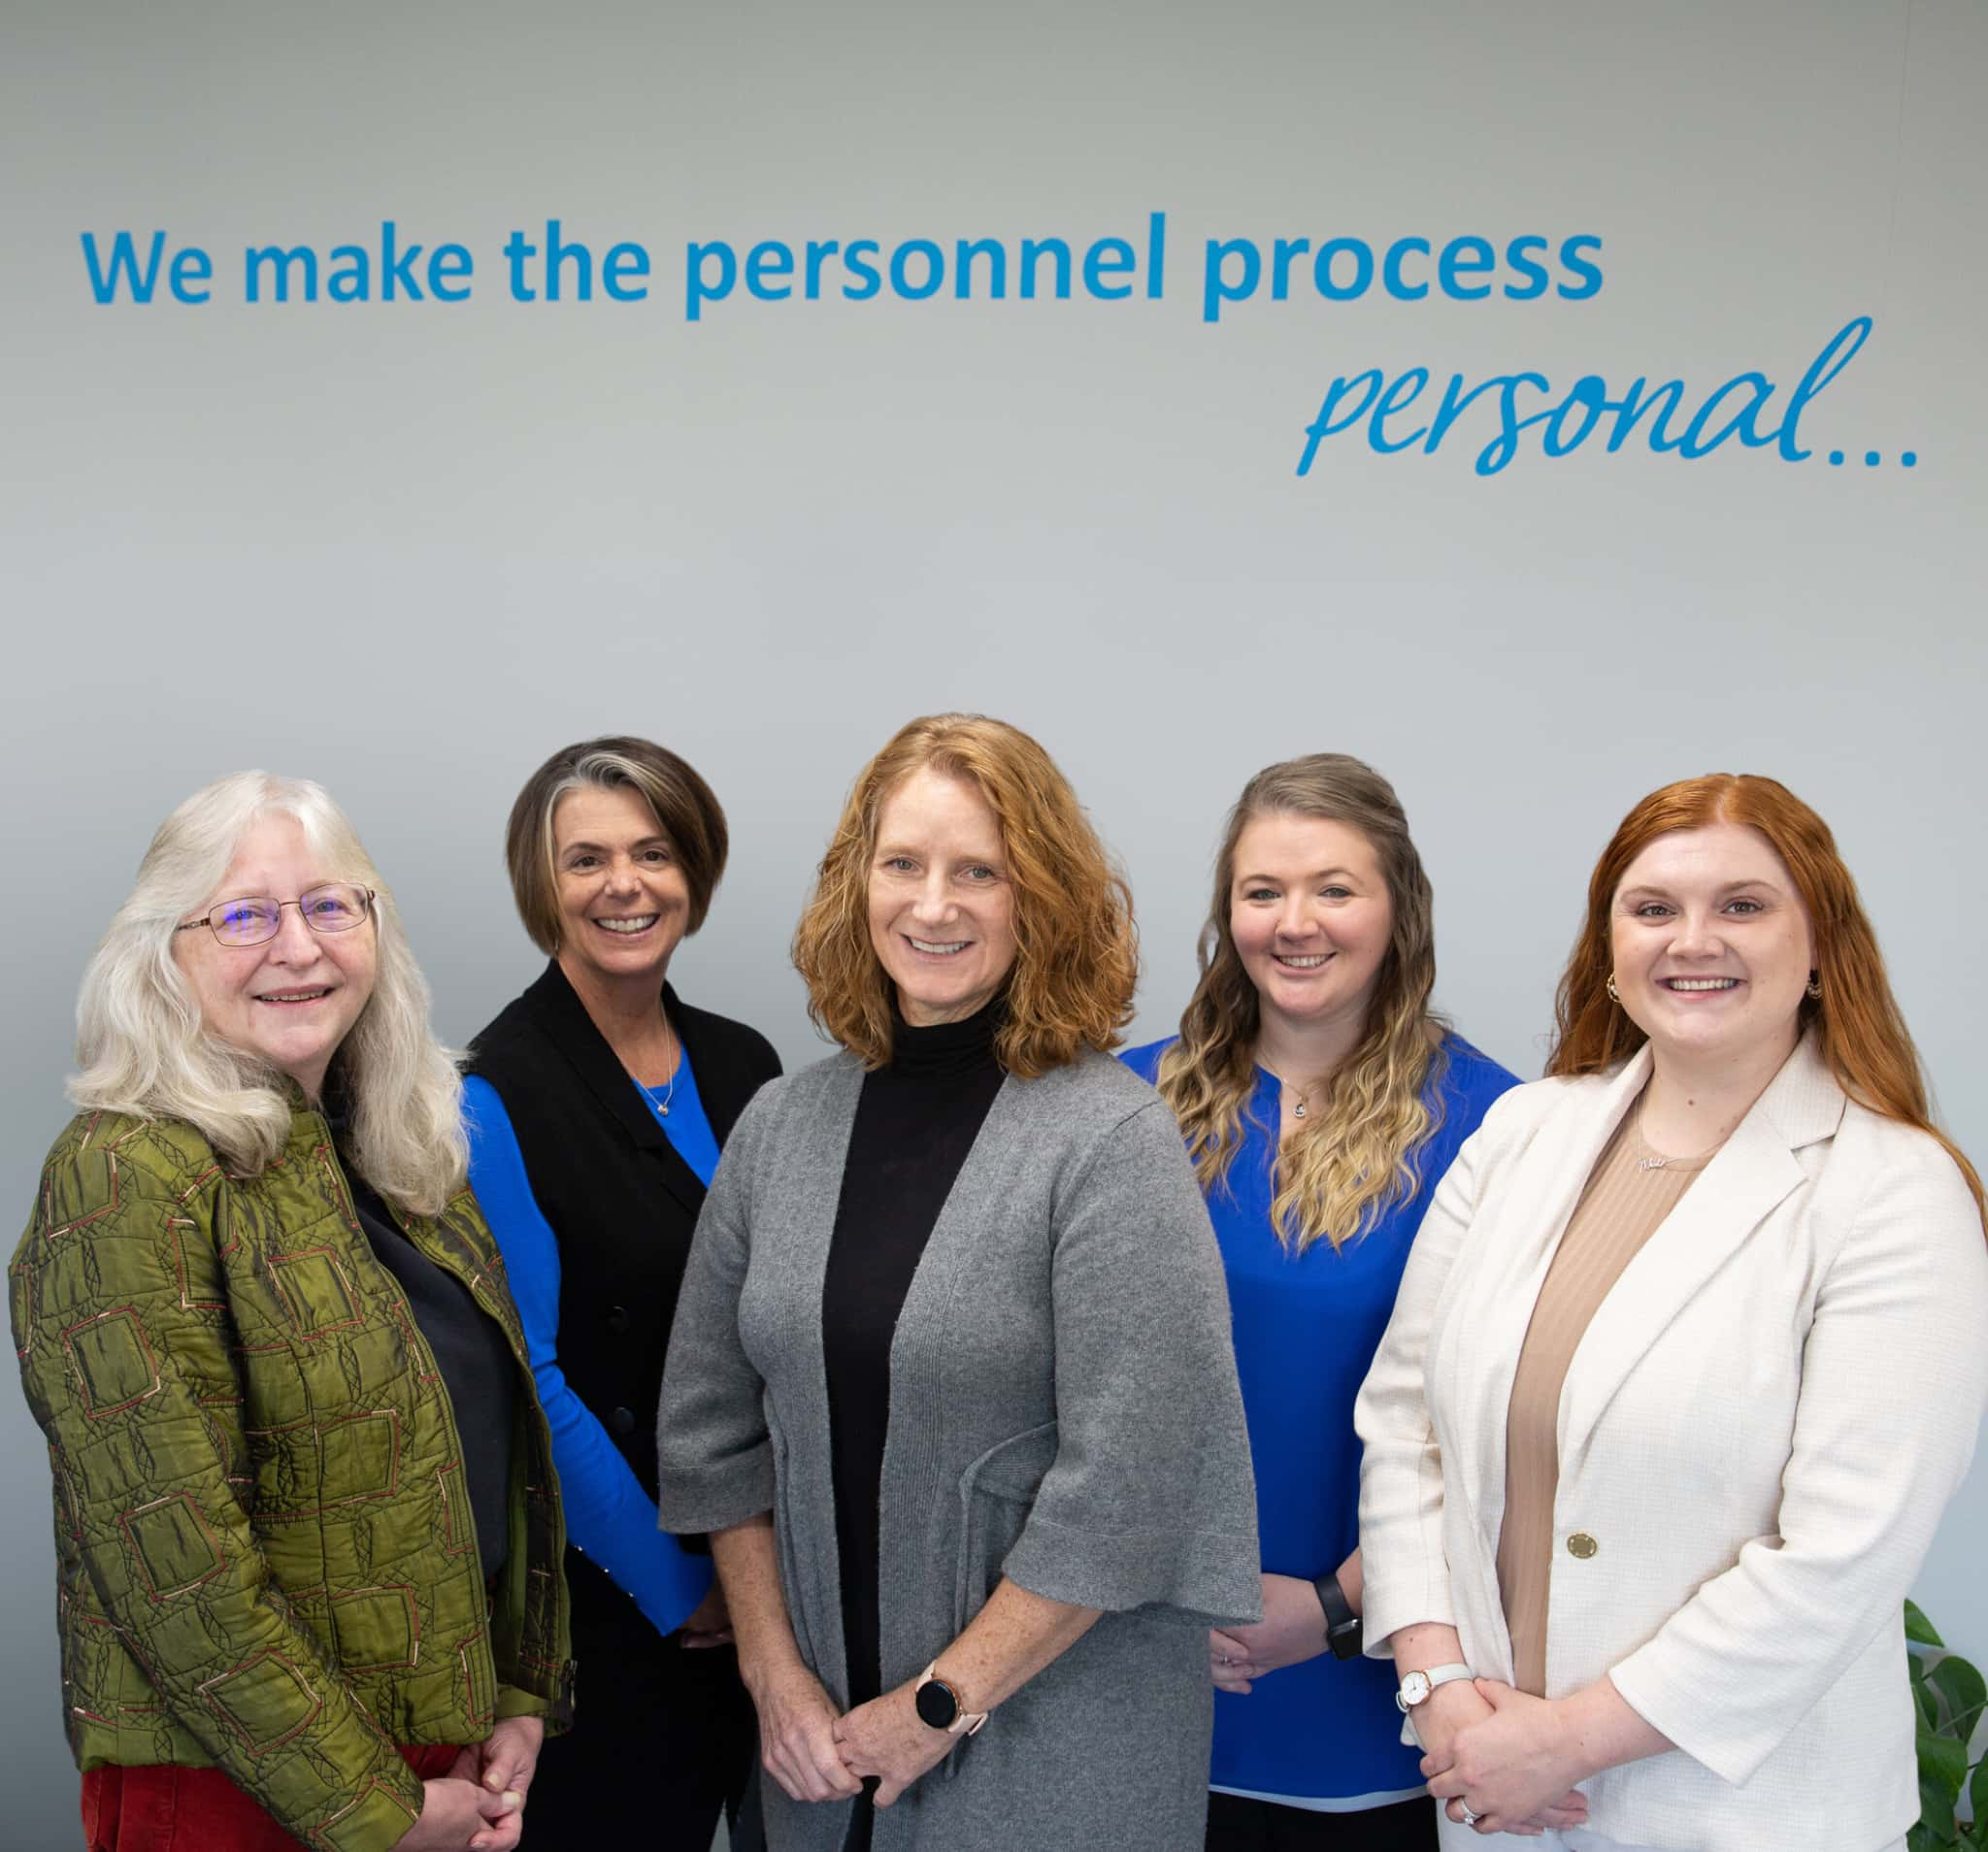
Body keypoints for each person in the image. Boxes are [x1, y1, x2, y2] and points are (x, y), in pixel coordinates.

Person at [656, 712, 1262, 1852]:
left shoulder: (1108, 1140)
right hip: (816, 1750)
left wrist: (938, 1706)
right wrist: (772, 1672)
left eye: (977, 871)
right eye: (903, 865)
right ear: (857, 885)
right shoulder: (783, 1127)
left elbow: (1127, 1488)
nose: (931, 907)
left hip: (1047, 1754)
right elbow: (709, 1430)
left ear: (1040, 897)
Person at [1355, 773, 1988, 1852]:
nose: (1692, 939)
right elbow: (1404, 1423)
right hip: (1493, 1796)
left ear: (1822, 944)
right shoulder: (1520, 1133)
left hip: (1742, 1817)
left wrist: (1569, 1742)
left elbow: (1840, 1555)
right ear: (1610, 948)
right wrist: (1439, 1687)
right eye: (1651, 909)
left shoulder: (1892, 1189)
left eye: (1741, 905)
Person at [10, 773, 573, 1852]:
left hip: (435, 1758)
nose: (299, 948)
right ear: (161, 953)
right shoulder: (126, 1173)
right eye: (243, 915)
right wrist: (378, 1810)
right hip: (236, 1787)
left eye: (329, 905)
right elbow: (175, 1567)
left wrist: (513, 1695)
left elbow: (484, 1454)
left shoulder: (405, 1155)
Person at [1123, 754, 1519, 1852]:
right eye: (1262, 892)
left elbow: (1494, 1430)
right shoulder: (1118, 1105)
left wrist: (1337, 1607)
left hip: (1369, 1697)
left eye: (1333, 889)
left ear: (1399, 908)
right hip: (1124, 1669)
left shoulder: (1502, 1129)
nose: (1294, 923)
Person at [462, 736, 778, 1845]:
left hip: (773, 1586)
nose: (623, 886)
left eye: (652, 853)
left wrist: (762, 1582)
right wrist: (679, 1584)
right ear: (539, 887)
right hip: (616, 1605)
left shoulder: (748, 1067)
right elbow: (529, 1379)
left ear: (694, 869)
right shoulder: (490, 1094)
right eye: (584, 859)